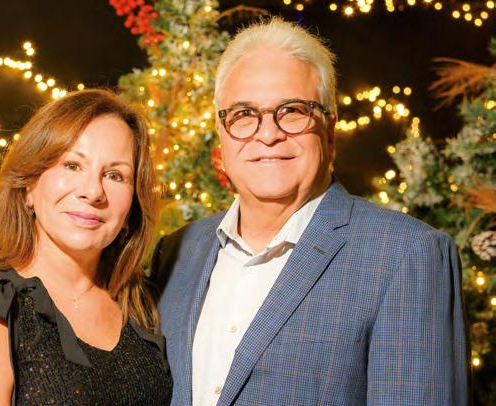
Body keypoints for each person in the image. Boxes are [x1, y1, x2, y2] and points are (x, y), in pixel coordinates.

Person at [153, 18, 469, 405]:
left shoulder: (406, 255)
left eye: (292, 111)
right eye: (244, 114)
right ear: (222, 137)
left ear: (330, 133)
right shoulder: (176, 253)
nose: (268, 134)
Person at [0, 89, 172, 405]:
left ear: (132, 207)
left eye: (115, 175)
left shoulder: (143, 304)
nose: (93, 191)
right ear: (28, 186)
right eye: (72, 165)